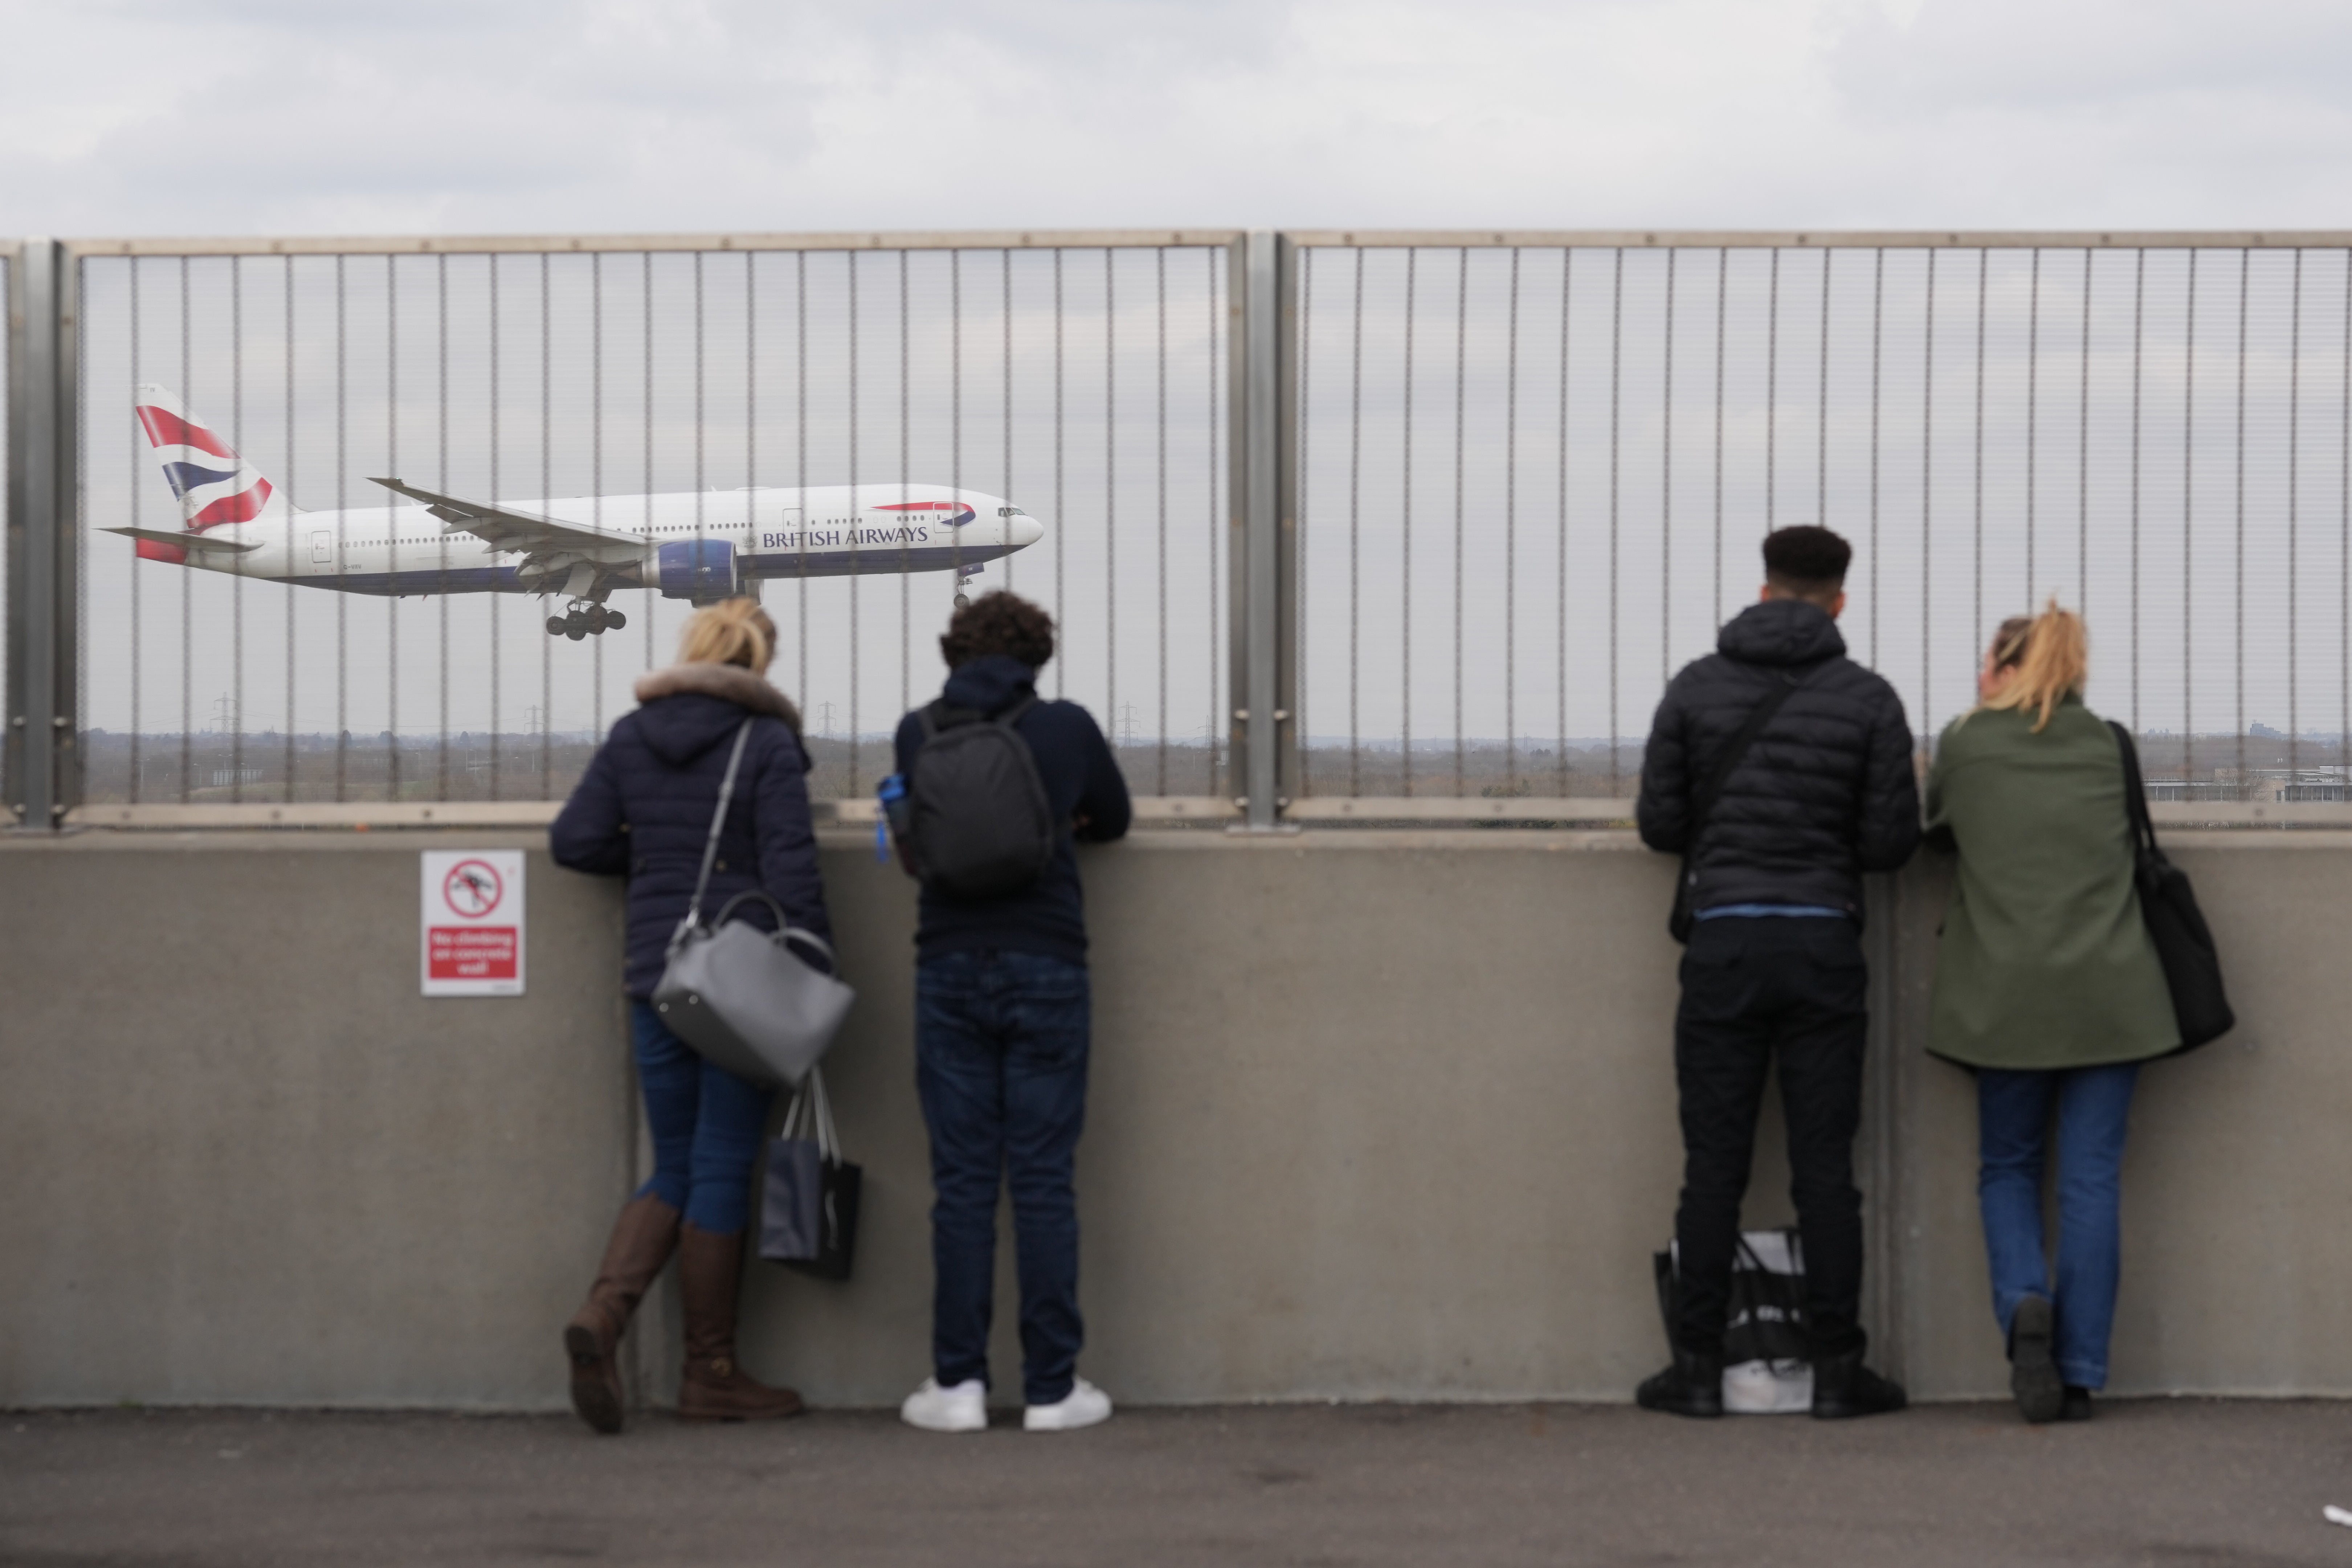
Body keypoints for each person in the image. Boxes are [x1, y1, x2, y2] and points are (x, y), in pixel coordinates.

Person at [1633, 524, 1920, 1420]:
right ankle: (1837, 1373)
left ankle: (1696, 1372)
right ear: (1840, 600)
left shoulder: (1695, 686)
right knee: (1824, 1170)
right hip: (1823, 950)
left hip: (1723, 946)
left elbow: (1660, 825)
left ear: (1763, 593)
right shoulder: (1869, 700)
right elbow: (1888, 844)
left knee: (1712, 1167)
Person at [548, 597, 826, 1433]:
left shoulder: (634, 735)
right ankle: (710, 1373)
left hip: (653, 978)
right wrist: (815, 974)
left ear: (692, 647)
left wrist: (655, 859)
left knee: (674, 1163)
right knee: (720, 1164)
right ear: (760, 661)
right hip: (737, 986)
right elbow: (793, 872)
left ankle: (604, 1315)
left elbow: (577, 843)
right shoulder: (767, 742)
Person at [1924, 604, 2176, 1424]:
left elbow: (1935, 831)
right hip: (2114, 994)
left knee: (2008, 1168)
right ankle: (2076, 1369)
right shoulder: (2110, 743)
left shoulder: (1966, 741)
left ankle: (2025, 1301)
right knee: (2093, 1181)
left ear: (2003, 668)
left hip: (2004, 997)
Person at [888, 592, 1132, 1434]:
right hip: (1048, 960)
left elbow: (917, 846)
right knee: (1041, 1179)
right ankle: (1053, 1390)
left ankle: (956, 1387)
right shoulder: (1067, 728)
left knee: (961, 1182)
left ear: (954, 651)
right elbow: (1119, 820)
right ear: (1040, 655)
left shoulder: (918, 731)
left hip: (948, 961)